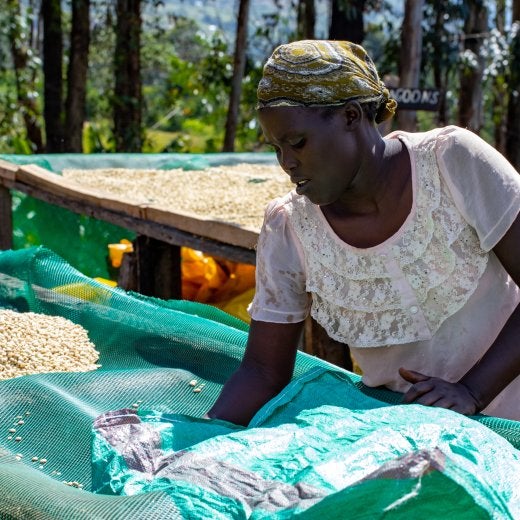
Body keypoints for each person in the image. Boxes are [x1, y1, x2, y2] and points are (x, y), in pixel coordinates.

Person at [207, 40, 520, 426]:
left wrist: (472, 391)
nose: (287, 163)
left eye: (298, 143)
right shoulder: (290, 227)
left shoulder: (451, 163)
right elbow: (262, 372)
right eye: (276, 149)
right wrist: (203, 436)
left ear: (351, 117)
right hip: (415, 441)